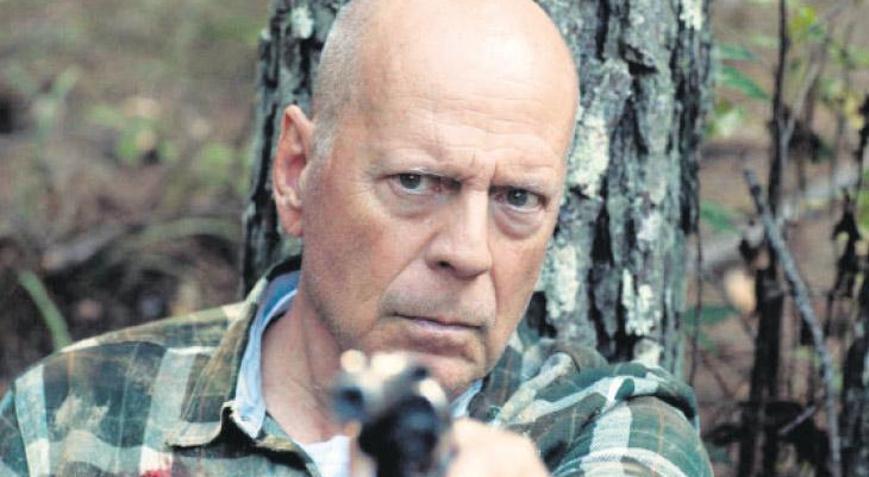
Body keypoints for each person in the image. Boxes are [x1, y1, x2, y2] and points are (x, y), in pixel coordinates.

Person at [0, 0, 713, 475]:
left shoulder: (607, 430)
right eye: (416, 182)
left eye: (517, 198)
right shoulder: (72, 415)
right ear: (296, 173)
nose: (467, 252)